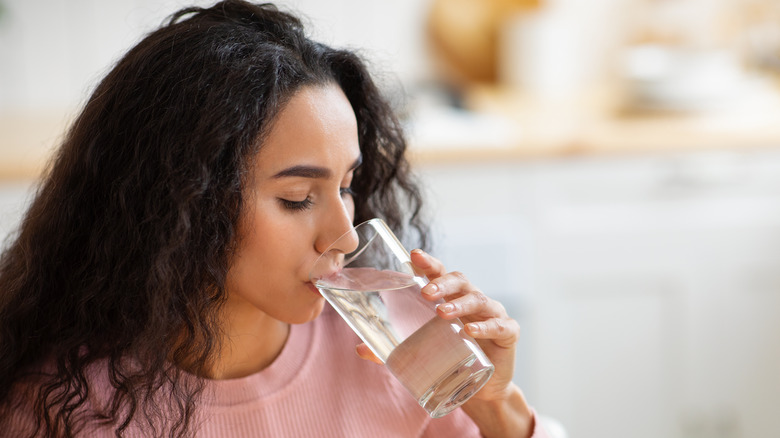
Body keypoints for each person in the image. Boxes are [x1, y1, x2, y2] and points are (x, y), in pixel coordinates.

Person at [0, 1, 549, 437]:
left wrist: (498, 412)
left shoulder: (401, 356)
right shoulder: (64, 408)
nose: (341, 233)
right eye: (296, 198)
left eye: (346, 186)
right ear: (182, 202)